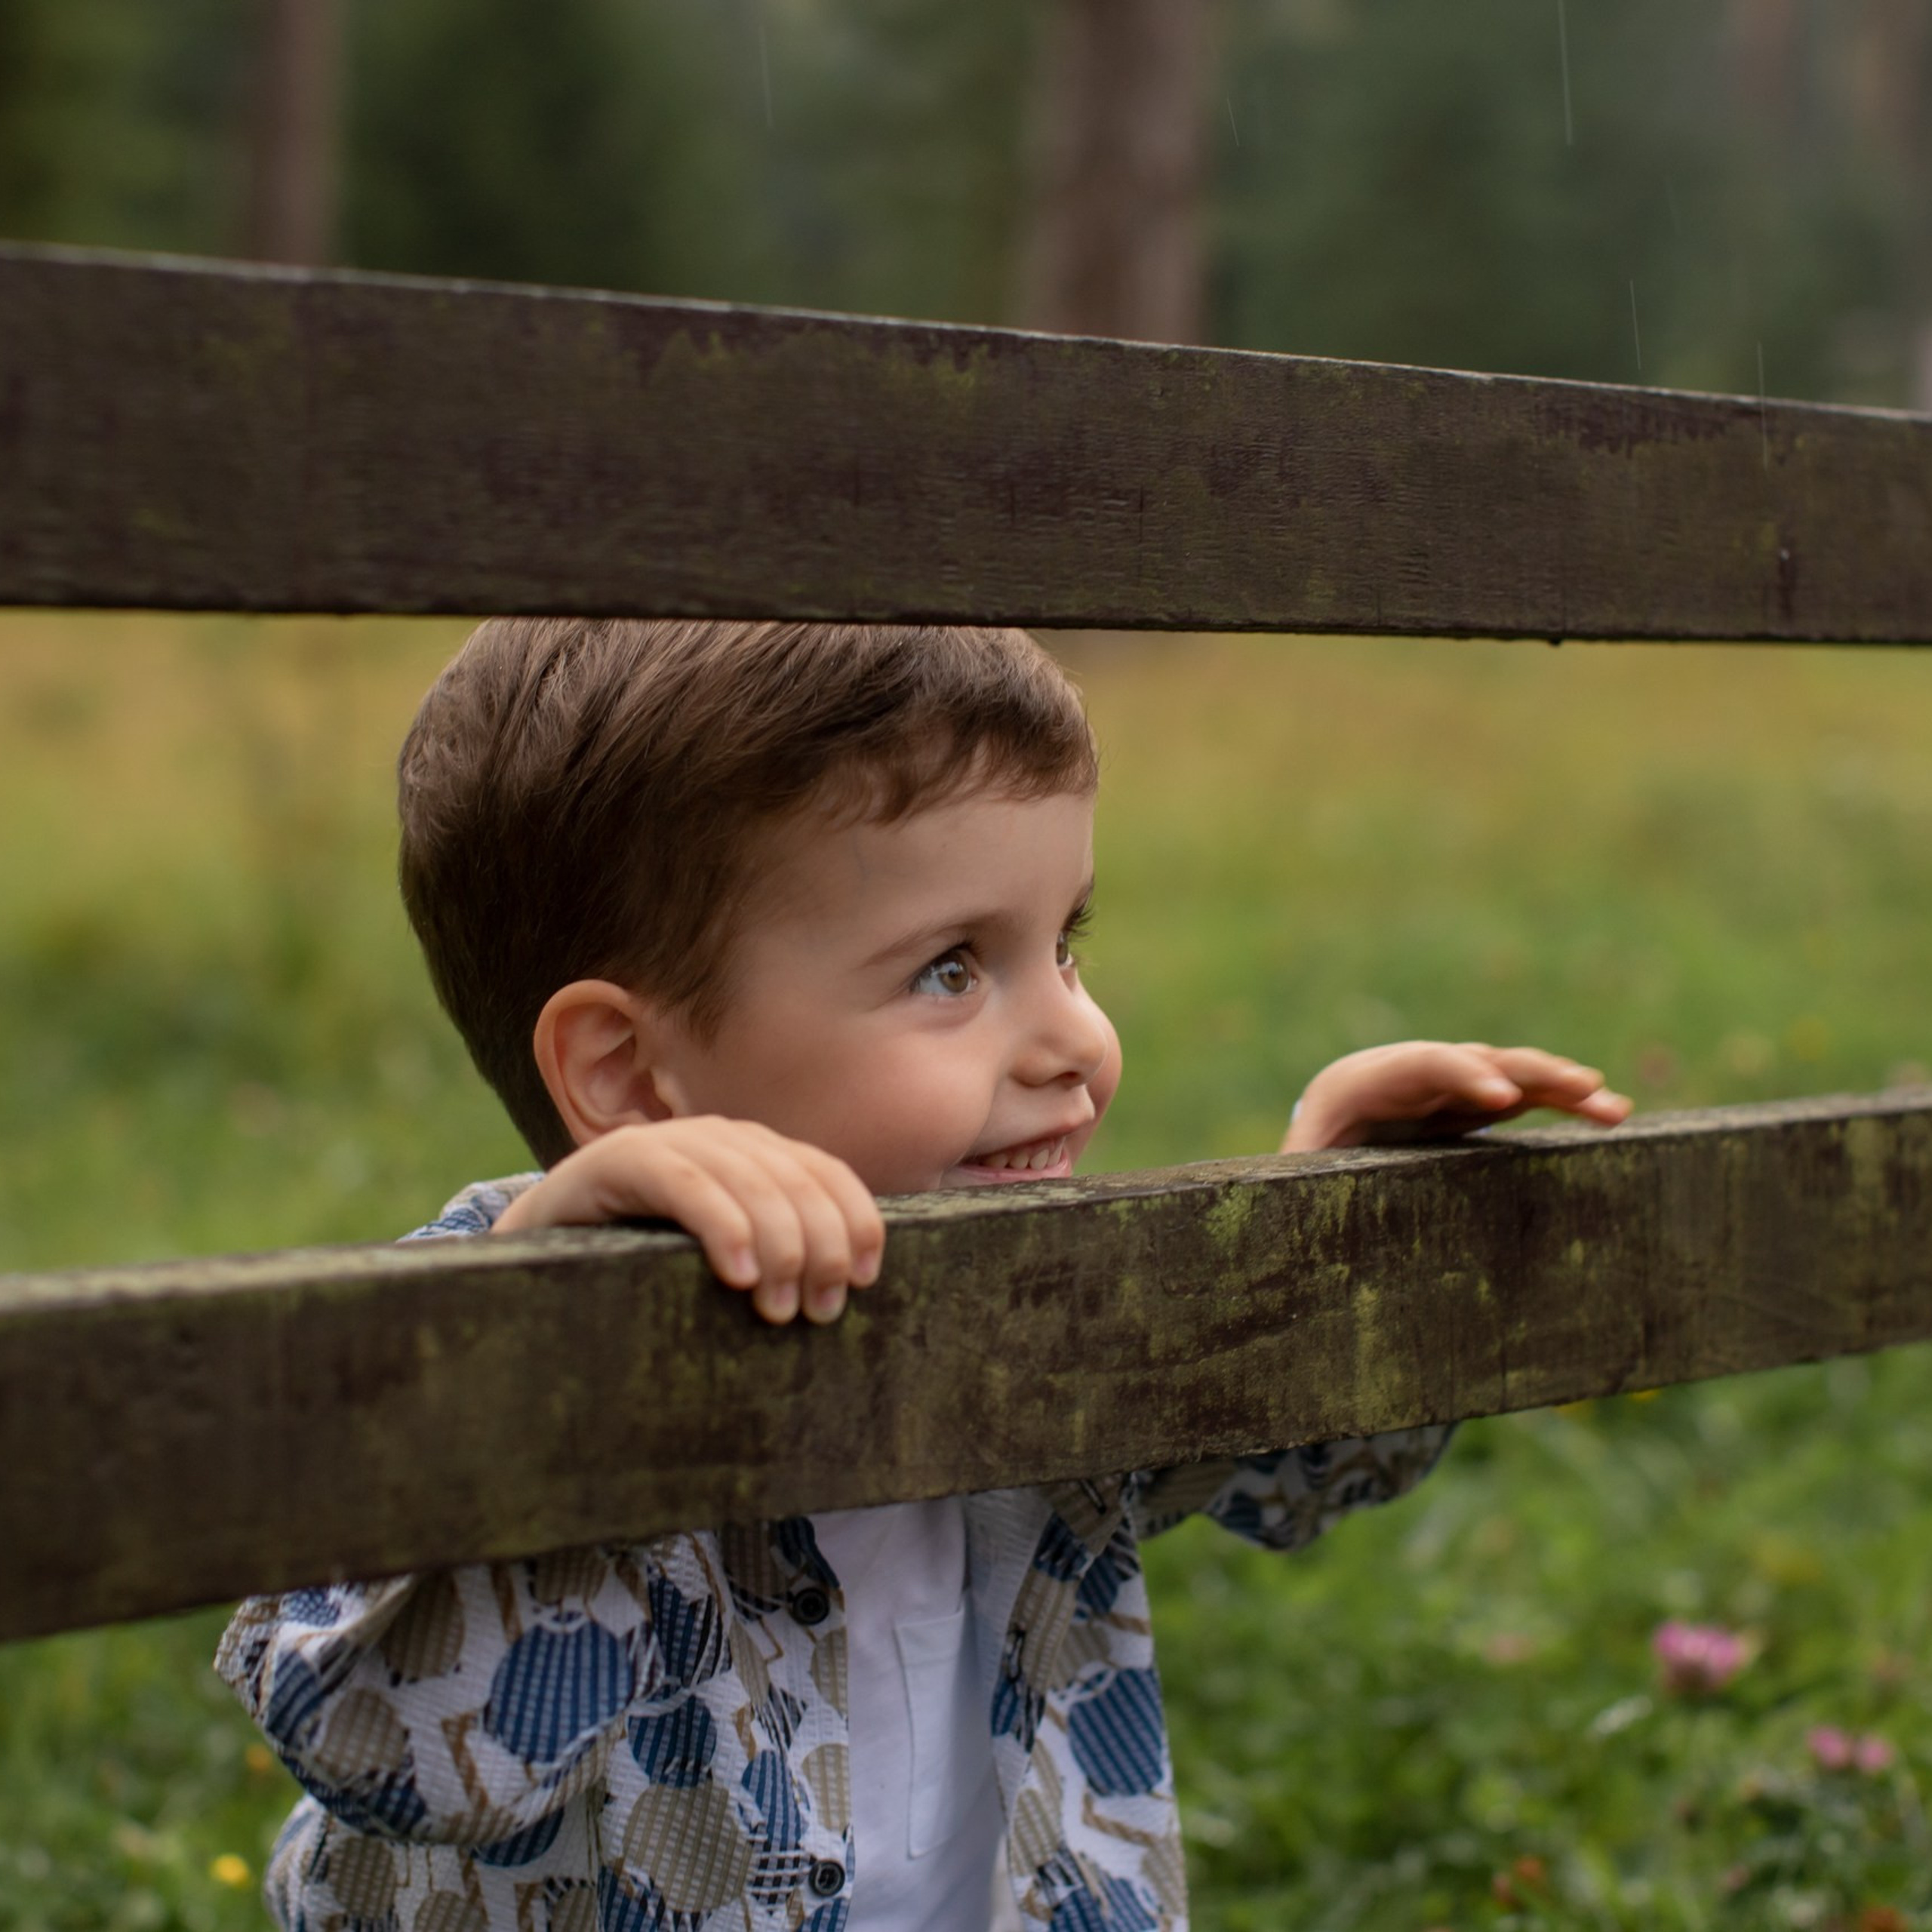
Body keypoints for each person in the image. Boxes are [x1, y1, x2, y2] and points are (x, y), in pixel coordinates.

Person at [217, 617, 1631, 1932]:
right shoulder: (455, 1327)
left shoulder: (1034, 1297)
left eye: (1065, 943)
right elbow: (396, 1745)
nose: (1075, 1038)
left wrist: (1323, 1233)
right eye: (954, 969)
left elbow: (1296, 1470)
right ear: (633, 1074)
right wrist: (557, 1333)